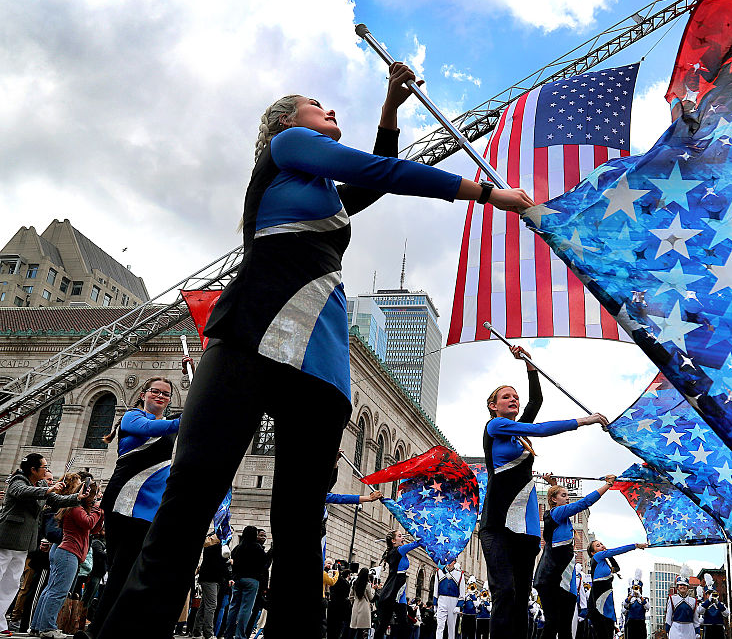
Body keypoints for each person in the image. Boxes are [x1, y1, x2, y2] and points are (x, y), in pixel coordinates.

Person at [94, 61, 533, 639]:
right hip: (251, 338)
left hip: (318, 361)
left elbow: (369, 183)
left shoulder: (321, 196)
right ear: (285, 121)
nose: (327, 111)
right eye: (315, 104)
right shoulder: (285, 148)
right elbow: (378, 170)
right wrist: (482, 192)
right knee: (190, 499)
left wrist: (389, 113)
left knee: (300, 527)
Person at [480, 345, 610, 639]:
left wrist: (529, 366)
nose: (513, 399)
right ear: (493, 406)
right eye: (506, 397)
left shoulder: (516, 431)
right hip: (497, 525)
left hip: (525, 530)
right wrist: (584, 420)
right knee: (504, 591)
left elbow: (536, 399)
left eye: (515, 396)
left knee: (521, 597)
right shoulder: (495, 426)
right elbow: (540, 429)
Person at [82, 376, 180, 639]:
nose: (160, 396)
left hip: (149, 506)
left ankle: (114, 627)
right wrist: (194, 415)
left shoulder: (164, 425)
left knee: (133, 570)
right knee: (121, 568)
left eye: (166, 394)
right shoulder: (132, 418)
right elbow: (163, 428)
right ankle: (97, 629)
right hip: (126, 501)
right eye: (155, 391)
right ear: (143, 394)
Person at [0, 454, 86, 638]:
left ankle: (0, 622)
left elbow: (56, 500)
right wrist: (48, 490)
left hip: (24, 541)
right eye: (44, 467)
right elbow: (22, 492)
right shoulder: (18, 480)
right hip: (7, 537)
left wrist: (77, 498)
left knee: (12, 583)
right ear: (33, 469)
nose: (47, 470)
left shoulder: (40, 486)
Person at [534, 475, 616, 639]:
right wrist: (607, 485)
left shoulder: (561, 517)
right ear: (554, 500)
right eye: (564, 496)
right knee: (553, 622)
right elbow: (584, 502)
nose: (568, 499)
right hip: (551, 578)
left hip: (567, 579)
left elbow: (556, 496)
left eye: (568, 495)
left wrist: (553, 485)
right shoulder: (555, 513)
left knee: (566, 626)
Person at [30, 478, 103, 638]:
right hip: (68, 552)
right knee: (58, 592)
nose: (98, 496)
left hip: (65, 551)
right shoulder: (76, 508)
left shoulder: (76, 507)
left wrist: (99, 513)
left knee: (51, 589)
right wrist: (98, 509)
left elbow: (94, 528)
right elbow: (89, 523)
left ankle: (37, 625)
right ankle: (48, 628)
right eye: (97, 493)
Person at [586, 539, 648, 639]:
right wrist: (635, 546)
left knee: (609, 627)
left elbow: (616, 568)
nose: (602, 545)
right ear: (593, 553)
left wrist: (608, 555)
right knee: (601, 628)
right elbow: (617, 550)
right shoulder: (597, 557)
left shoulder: (604, 562)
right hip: (599, 597)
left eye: (602, 544)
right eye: (598, 545)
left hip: (608, 597)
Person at [375, 529, 423, 639]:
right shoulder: (398, 550)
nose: (403, 538)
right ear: (393, 540)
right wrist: (421, 533)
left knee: (403, 623)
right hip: (394, 589)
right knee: (384, 624)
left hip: (400, 588)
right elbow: (416, 543)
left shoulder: (397, 551)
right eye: (400, 536)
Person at [222, 526, 268, 639]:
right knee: (246, 608)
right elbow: (264, 565)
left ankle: (228, 634)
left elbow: (231, 561)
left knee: (233, 607)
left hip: (238, 580)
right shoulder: (258, 548)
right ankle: (240, 635)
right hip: (252, 580)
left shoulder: (238, 547)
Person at [195, 530, 229, 639]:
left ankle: (197, 631)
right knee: (211, 605)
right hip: (211, 579)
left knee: (204, 605)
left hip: (209, 578)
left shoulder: (209, 546)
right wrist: (228, 561)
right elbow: (220, 563)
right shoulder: (217, 546)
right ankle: (208, 633)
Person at [434, 561, 466, 639]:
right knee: (440, 625)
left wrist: (459, 605)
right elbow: (435, 589)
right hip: (442, 599)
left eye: (451, 560)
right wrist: (435, 603)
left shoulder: (460, 574)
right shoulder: (439, 572)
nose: (449, 563)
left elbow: (462, 592)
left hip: (453, 600)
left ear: (454, 562)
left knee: (451, 626)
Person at [348, 568, 376, 639]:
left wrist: (353, 603)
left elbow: (350, 596)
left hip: (356, 606)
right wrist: (374, 590)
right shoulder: (367, 585)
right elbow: (371, 598)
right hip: (364, 607)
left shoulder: (354, 583)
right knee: (362, 630)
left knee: (353, 629)